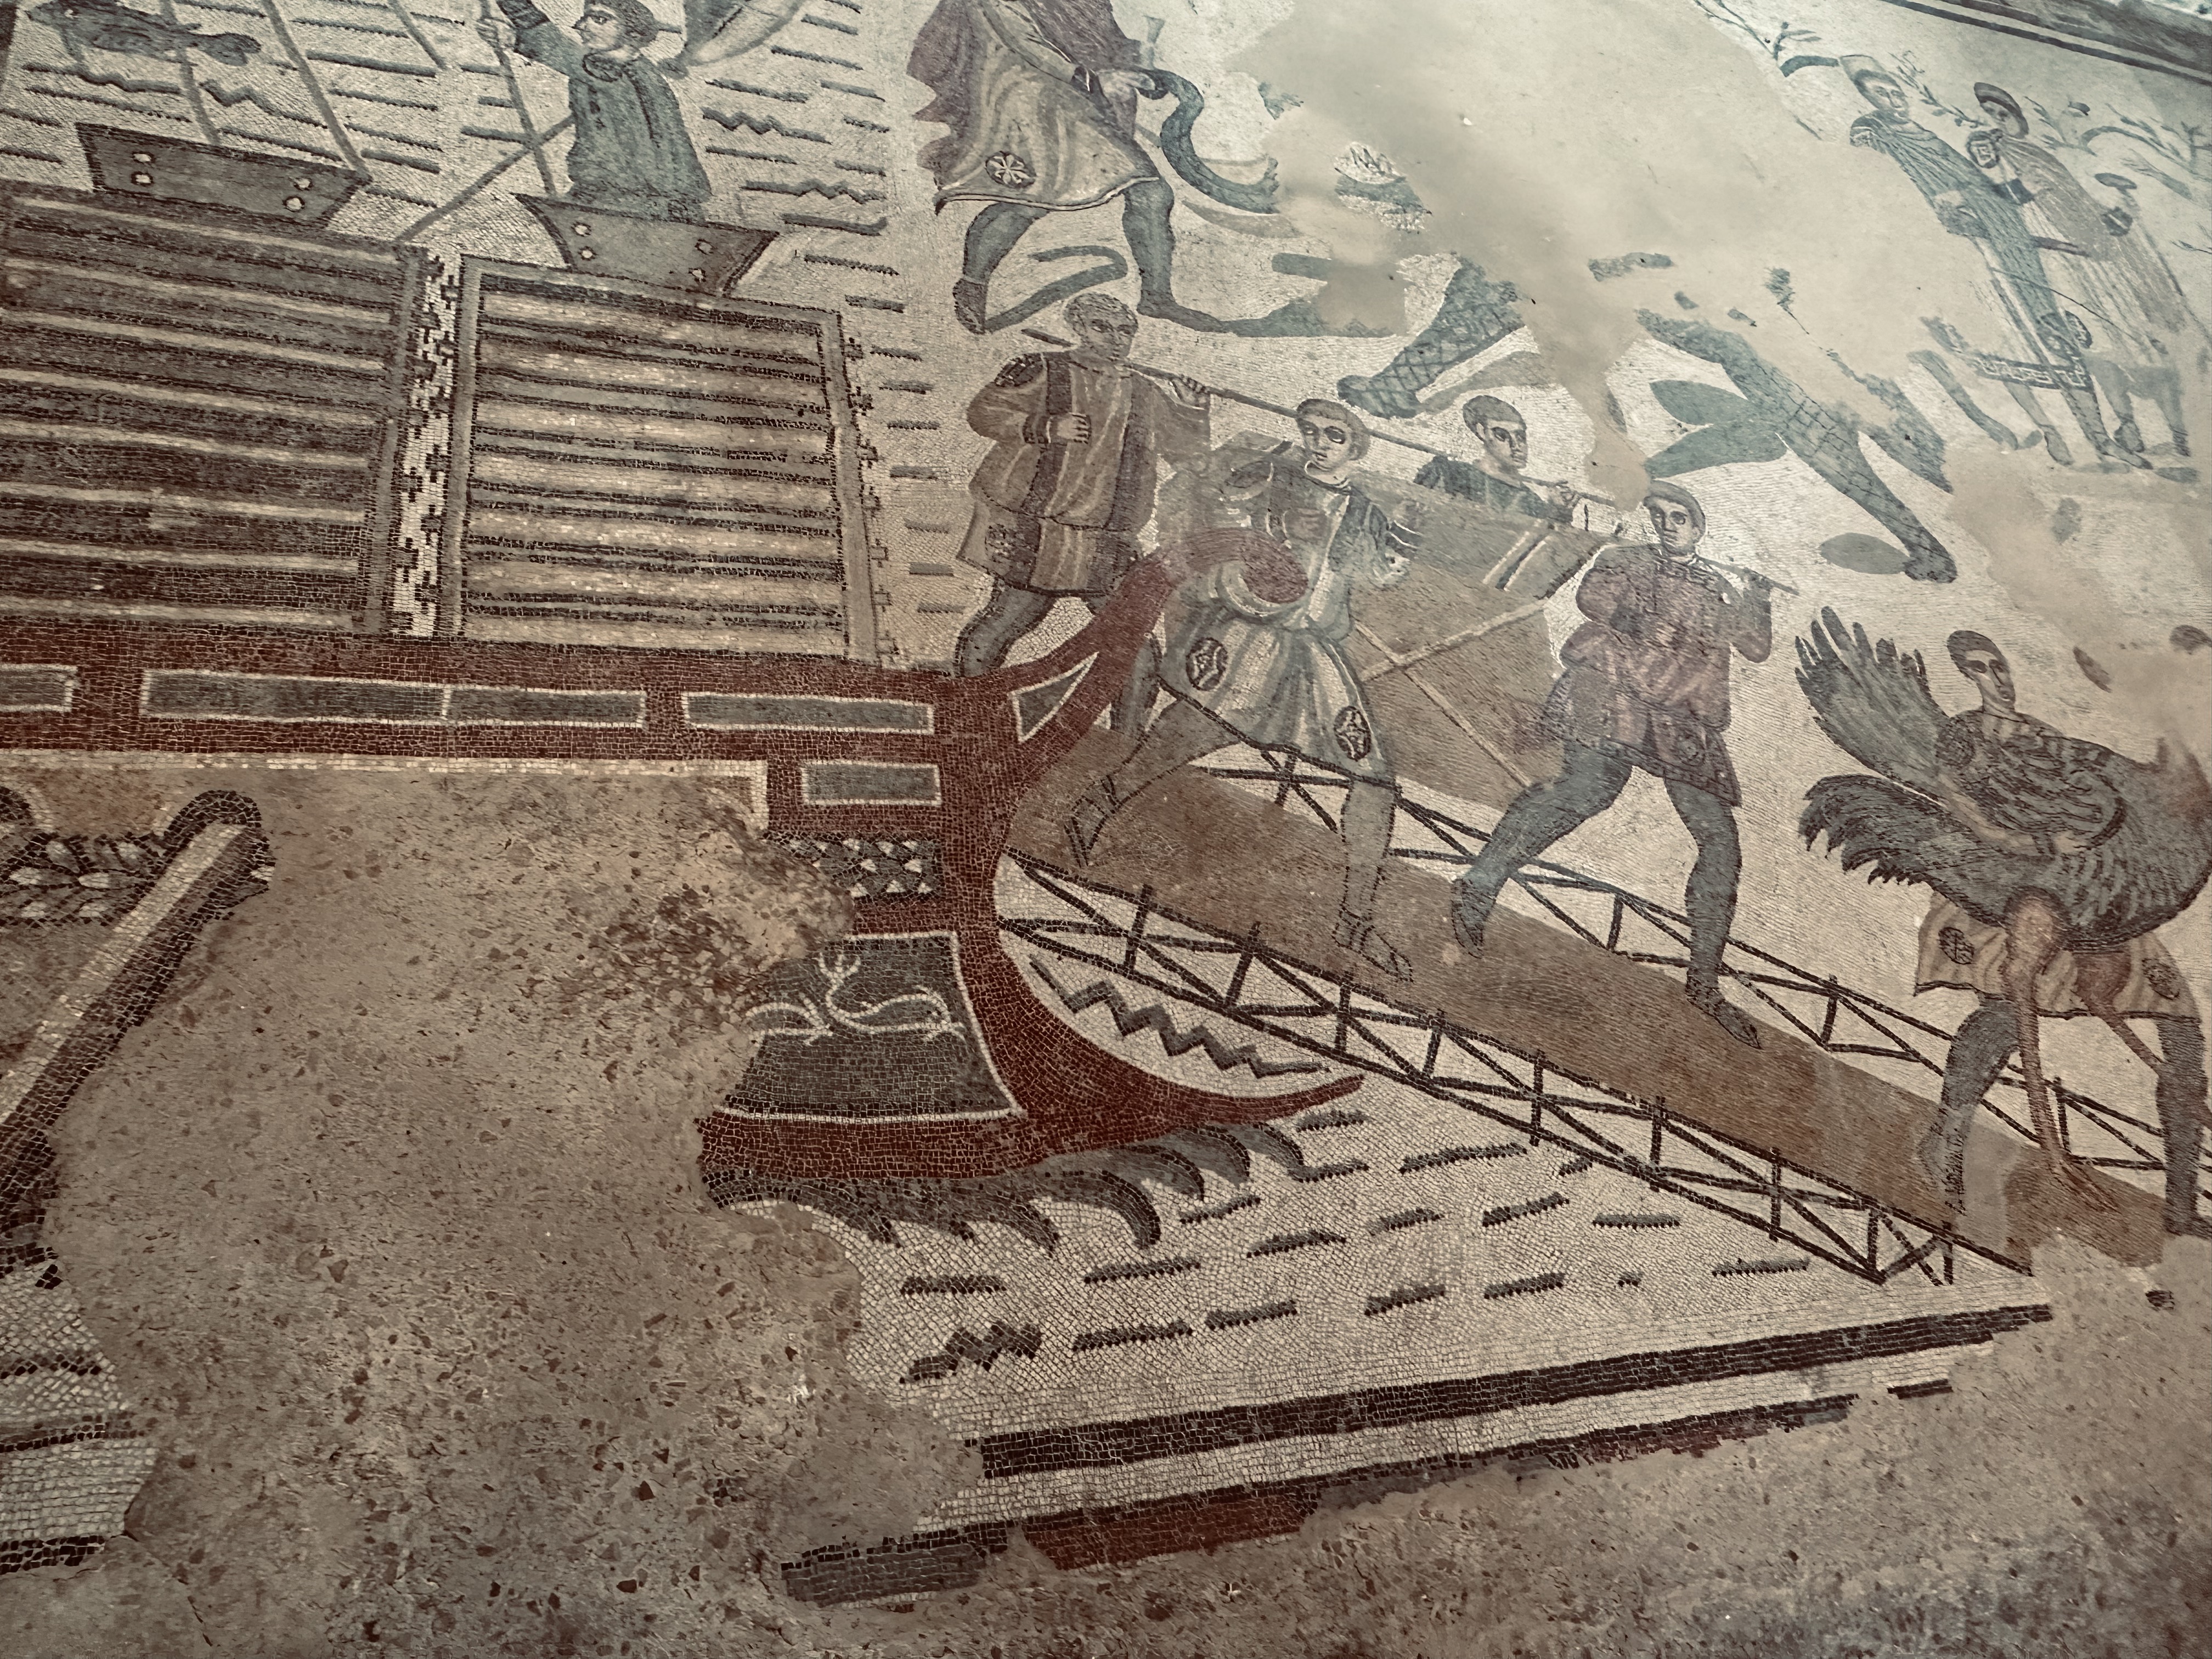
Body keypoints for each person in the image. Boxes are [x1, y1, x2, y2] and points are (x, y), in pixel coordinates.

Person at [1063, 398, 1423, 979]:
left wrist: (1405, 530)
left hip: (1311, 651)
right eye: (1311, 431)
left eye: (1334, 435)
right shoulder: (1273, 476)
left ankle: (1355, 922)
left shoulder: (1365, 510)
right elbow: (1219, 519)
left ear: (1357, 447)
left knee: (1375, 779)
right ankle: (1095, 808)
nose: (1319, 443)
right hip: (1250, 635)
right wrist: (1279, 526)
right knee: (1181, 738)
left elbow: (1380, 575)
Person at [1448, 481, 1771, 1047]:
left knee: (1719, 839)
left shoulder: (1719, 587)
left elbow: (1756, 647)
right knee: (1585, 791)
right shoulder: (1627, 558)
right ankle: (1478, 886)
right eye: (1660, 515)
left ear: (1699, 527)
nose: (1669, 525)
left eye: (1680, 517)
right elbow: (1592, 600)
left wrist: (1758, 597)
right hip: (1616, 684)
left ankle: (1704, 982)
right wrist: (1639, 621)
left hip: (1682, 710)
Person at [1915, 630, 2208, 1235]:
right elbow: (1970, 815)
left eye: (2000, 665)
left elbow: (2109, 798)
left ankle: (2181, 1208)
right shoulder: (1964, 737)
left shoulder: (2043, 735)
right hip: (2011, 886)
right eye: (1982, 669)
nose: (1999, 679)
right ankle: (1946, 1137)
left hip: (2103, 896)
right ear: (1966, 676)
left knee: (2181, 1028)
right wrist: (2042, 844)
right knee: (2003, 1016)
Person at [1841, 57, 2129, 470]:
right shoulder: (1878, 137)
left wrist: (2016, 192)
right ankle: (2049, 428)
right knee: (2005, 347)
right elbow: (1900, 195)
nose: (1894, 101)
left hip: (2010, 248)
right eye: (1880, 95)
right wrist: (1978, 199)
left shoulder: (1930, 138)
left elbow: (1983, 191)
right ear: (1867, 100)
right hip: (1968, 256)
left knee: (2057, 337)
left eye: (1896, 92)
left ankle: (2101, 439)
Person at [951, 294, 1211, 716]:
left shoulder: (1145, 392)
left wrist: (1192, 409)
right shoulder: (1042, 369)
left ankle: (1126, 744)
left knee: (1136, 648)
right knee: (1006, 623)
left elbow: (1190, 457)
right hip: (1040, 532)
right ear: (1078, 327)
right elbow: (983, 413)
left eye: (1124, 331)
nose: (1115, 339)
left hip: (1106, 541)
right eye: (1101, 328)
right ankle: (970, 716)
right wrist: (1045, 426)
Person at [906, 0, 1221, 334]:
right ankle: (973, 285)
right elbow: (1022, 39)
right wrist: (1092, 80)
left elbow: (1104, 38)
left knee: (1150, 193)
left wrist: (1141, 66)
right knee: (1028, 200)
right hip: (1031, 96)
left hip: (1080, 100)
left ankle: (1157, 297)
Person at [1969, 83, 2188, 459]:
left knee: (2139, 341)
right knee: (2096, 348)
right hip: (2063, 263)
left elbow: (2076, 201)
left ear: (2017, 115)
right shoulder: (1998, 153)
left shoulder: (2037, 153)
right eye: (1991, 117)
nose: (1998, 124)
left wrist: (2113, 219)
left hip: (2099, 257)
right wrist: (2019, 192)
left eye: (2003, 114)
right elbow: (1996, 202)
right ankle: (2129, 424)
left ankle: (2179, 432)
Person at [481, 0, 709, 221]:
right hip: (639, 197)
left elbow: (557, 48)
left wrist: (514, 36)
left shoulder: (612, 71)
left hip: (629, 200)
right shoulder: (641, 72)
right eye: (586, 19)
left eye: (600, 20)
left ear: (633, 35)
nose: (581, 26)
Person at [1413, 396, 1567, 522]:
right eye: (1502, 435)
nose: (1516, 446)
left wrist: (1559, 513)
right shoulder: (1448, 474)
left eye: (1520, 437)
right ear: (1483, 433)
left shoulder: (1532, 502)